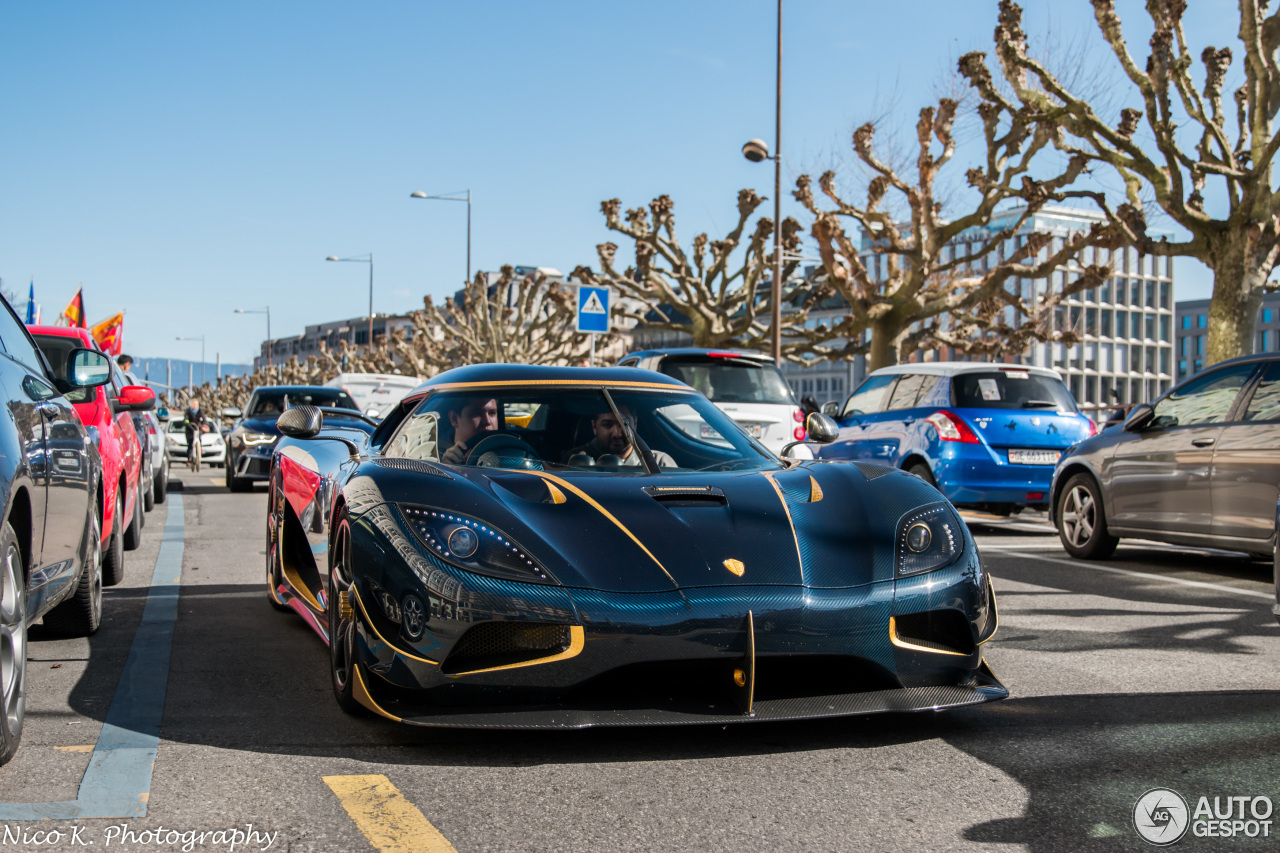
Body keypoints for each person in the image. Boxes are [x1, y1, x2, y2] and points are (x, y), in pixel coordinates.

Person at [566, 404, 674, 468]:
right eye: (607, 424)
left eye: (624, 424)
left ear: (635, 423)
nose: (617, 433)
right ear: (594, 426)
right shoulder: (573, 461)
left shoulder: (659, 463)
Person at [441, 397, 499, 465]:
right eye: (477, 413)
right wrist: (446, 468)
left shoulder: (508, 451)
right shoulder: (437, 457)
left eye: (492, 413)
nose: (487, 421)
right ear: (454, 419)